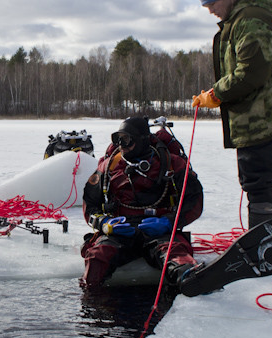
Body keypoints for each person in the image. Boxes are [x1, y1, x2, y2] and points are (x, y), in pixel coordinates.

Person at [193, 0, 272, 229]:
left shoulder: (251, 21)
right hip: (255, 118)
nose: (211, 11)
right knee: (255, 180)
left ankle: (265, 241)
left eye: (213, 4)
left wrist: (217, 94)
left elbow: (251, 72)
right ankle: (261, 237)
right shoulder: (241, 20)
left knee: (259, 182)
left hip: (263, 118)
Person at [80, 116, 204, 289]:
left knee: (174, 255)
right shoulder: (108, 166)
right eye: (118, 139)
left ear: (142, 140)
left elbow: (194, 201)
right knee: (97, 257)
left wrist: (169, 221)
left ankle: (192, 280)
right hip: (120, 230)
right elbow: (90, 203)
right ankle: (90, 304)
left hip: (160, 231)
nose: (122, 145)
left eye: (127, 139)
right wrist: (104, 223)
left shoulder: (172, 164)